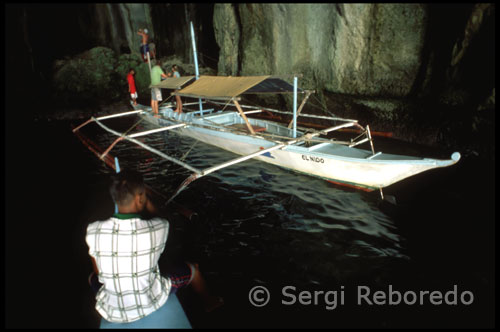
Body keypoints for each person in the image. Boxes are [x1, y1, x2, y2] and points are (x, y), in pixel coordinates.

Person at [86, 170, 223, 324]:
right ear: (140, 198)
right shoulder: (158, 227)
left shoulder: (93, 230)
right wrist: (148, 202)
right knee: (193, 270)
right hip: (150, 303)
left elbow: (98, 272)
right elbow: (162, 217)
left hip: (112, 313)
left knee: (92, 277)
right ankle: (210, 302)